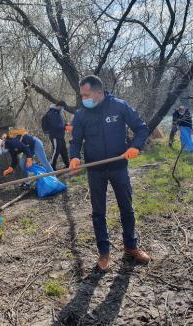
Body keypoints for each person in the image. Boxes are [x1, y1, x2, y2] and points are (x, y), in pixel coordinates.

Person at [69, 75, 151, 271]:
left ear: (99, 93)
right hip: (95, 170)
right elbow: (76, 141)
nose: (83, 99)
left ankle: (131, 246)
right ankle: (104, 253)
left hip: (118, 167)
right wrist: (74, 157)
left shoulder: (119, 107)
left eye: (86, 95)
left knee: (127, 208)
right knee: (98, 212)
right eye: (81, 95)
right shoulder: (81, 115)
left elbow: (141, 129)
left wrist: (136, 147)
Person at [44, 101, 72, 170]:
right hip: (55, 136)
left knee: (64, 150)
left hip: (60, 135)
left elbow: (60, 124)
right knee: (56, 151)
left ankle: (67, 164)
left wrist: (66, 125)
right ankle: (52, 167)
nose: (63, 109)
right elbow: (55, 125)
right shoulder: (51, 113)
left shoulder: (57, 113)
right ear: (59, 106)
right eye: (62, 107)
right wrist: (65, 127)